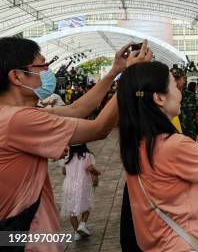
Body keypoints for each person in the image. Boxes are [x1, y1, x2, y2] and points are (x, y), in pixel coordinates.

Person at [0, 37, 145, 252]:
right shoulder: (19, 120)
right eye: (42, 66)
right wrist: (130, 78)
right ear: (17, 76)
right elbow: (99, 128)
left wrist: (115, 71)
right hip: (28, 241)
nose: (48, 73)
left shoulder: (12, 115)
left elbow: (77, 109)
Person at [118, 61, 198, 251]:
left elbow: (183, 164)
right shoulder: (173, 145)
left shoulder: (139, 143)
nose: (180, 92)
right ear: (159, 98)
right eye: (174, 86)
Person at [60, 143, 100, 240]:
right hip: (83, 184)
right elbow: (90, 168)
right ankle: (82, 224)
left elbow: (63, 172)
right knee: (87, 204)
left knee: (71, 210)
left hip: (69, 185)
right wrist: (97, 172)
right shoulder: (87, 156)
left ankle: (76, 232)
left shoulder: (66, 157)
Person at [173, 68, 198, 140]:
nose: (176, 81)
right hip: (172, 141)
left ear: (184, 79)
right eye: (173, 79)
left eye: (178, 78)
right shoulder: (164, 97)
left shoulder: (192, 97)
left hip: (190, 138)